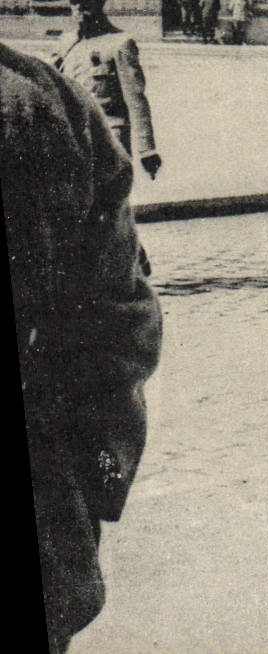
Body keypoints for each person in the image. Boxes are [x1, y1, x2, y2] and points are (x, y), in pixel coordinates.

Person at [5, 42, 163, 654]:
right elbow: (115, 334)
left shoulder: (60, 87)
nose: (78, 14)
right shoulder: (46, 90)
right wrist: (94, 483)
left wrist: (144, 148)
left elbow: (135, 101)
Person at [53, 0, 161, 179]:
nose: (79, 8)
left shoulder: (119, 43)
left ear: (101, 3)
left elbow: (136, 100)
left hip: (109, 140)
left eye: (86, 2)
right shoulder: (65, 43)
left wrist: (147, 150)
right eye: (74, 2)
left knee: (106, 205)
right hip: (72, 140)